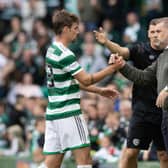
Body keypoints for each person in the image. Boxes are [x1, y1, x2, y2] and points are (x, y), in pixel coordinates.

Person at [40, 10, 123, 168]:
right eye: (75, 28)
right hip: (69, 113)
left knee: (51, 165)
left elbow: (71, 82)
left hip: (53, 115)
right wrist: (112, 69)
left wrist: (99, 91)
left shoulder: (51, 50)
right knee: (85, 162)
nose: (78, 32)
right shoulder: (65, 54)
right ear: (65, 29)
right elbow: (86, 79)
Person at [94, 18, 168, 168]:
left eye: (158, 31)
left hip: (164, 111)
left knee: (164, 155)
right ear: (147, 33)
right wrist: (109, 45)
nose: (155, 35)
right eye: (152, 32)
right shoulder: (143, 50)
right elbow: (142, 76)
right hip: (143, 110)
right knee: (130, 153)